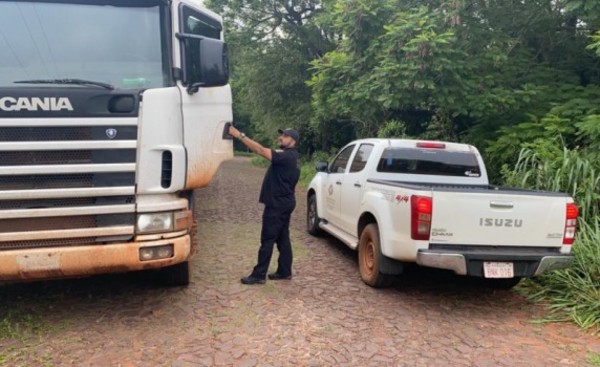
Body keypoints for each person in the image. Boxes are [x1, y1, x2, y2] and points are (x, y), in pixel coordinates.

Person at [228, 125, 301, 285]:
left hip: (277, 204)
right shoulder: (293, 157)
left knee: (267, 239)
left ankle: (259, 274)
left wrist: (239, 135)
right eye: (281, 135)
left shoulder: (286, 156)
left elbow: (260, 150)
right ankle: (284, 271)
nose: (281, 138)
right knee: (282, 238)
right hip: (285, 202)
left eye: (285, 136)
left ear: (293, 141)